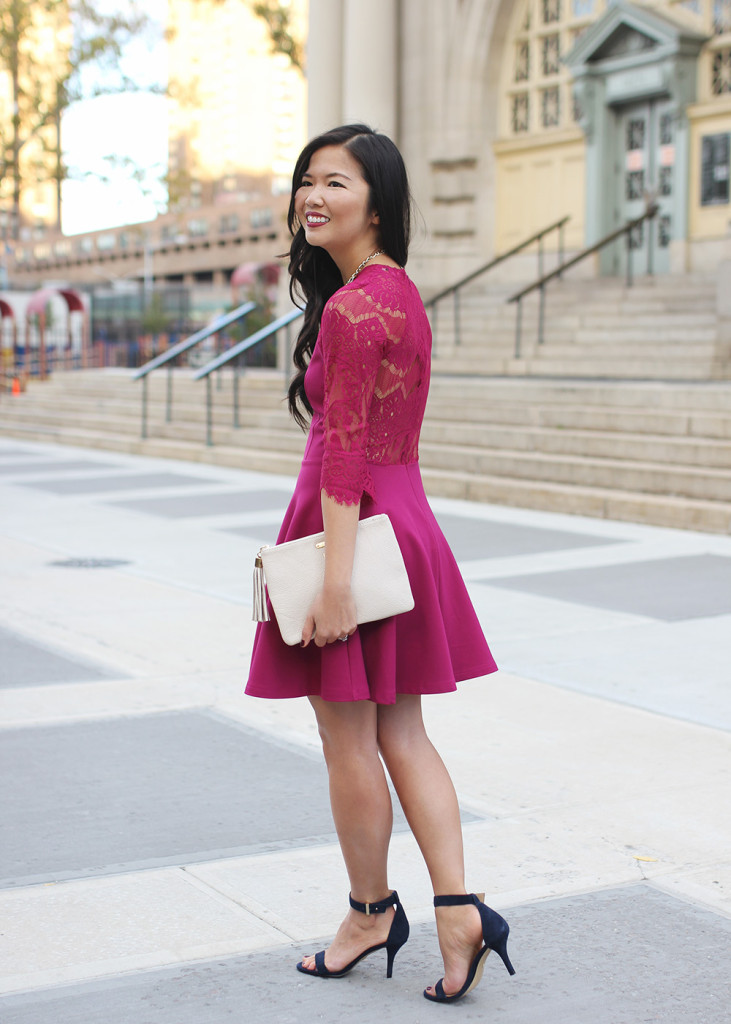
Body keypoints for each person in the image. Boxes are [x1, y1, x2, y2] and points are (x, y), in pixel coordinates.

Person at [245, 124, 515, 1003]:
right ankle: (460, 909)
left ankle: (369, 913)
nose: (312, 197)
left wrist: (331, 583)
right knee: (402, 731)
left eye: (335, 182)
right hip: (401, 523)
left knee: (347, 737)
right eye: (305, 182)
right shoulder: (396, 291)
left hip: (355, 527)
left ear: (377, 199)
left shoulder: (357, 307)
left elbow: (346, 451)